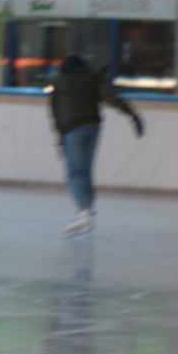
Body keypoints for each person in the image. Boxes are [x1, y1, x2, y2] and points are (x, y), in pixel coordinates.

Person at [48, 54, 144, 237]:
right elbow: (111, 97)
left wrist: (60, 136)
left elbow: (55, 111)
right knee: (85, 170)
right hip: (92, 127)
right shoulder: (92, 77)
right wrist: (132, 115)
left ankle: (84, 212)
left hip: (71, 129)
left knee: (74, 172)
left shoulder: (59, 81)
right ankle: (88, 211)